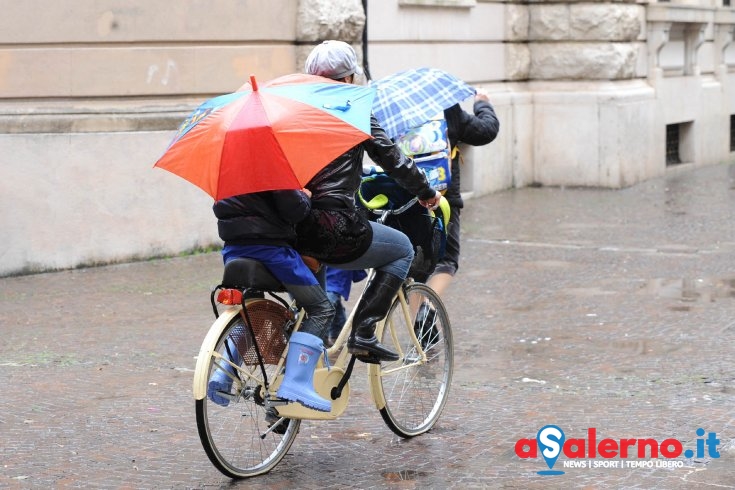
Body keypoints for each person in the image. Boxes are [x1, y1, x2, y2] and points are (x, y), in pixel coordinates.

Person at [298, 40, 442, 363]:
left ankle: (300, 384)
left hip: (296, 223)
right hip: (336, 228)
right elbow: (393, 159)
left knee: (316, 308)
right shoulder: (354, 108)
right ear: (348, 79)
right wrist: (426, 192)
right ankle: (364, 331)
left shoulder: (296, 109)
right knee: (402, 249)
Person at [208, 188, 335, 412]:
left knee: (250, 310)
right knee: (321, 308)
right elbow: (295, 211)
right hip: (271, 252)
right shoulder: (270, 163)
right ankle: (296, 382)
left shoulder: (225, 168)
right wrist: (304, 196)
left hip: (234, 252)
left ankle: (224, 372)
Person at [427, 90, 499, 299]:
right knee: (447, 261)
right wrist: (482, 104)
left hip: (407, 199)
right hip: (443, 199)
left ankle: (421, 329)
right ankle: (428, 308)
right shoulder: (446, 108)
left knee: (416, 268)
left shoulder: (398, 113)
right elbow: (486, 130)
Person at [324, 267, 367, 347]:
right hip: (334, 278)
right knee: (326, 308)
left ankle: (334, 340)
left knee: (335, 310)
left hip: (332, 278)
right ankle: (322, 339)